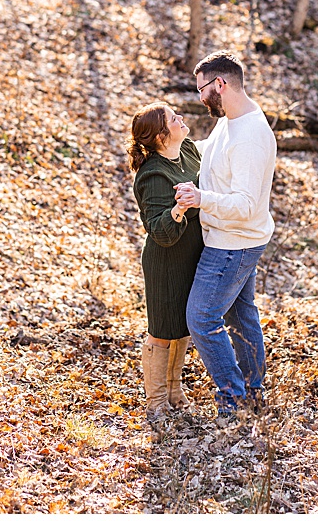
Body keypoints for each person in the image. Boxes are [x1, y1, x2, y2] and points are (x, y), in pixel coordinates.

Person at [173, 51, 278, 417]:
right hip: (238, 238)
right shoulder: (232, 120)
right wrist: (173, 149)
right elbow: (211, 154)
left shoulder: (250, 135)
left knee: (201, 318)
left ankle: (233, 399)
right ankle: (252, 390)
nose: (200, 98)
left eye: (202, 89)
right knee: (240, 315)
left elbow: (247, 204)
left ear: (221, 84)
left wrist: (202, 199)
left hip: (233, 243)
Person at [127, 101, 204, 418]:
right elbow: (159, 231)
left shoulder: (188, 150)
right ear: (161, 136)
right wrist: (179, 209)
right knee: (161, 331)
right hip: (165, 260)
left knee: (183, 328)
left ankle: (175, 392)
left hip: (194, 254)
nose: (181, 118)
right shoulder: (152, 175)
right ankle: (156, 402)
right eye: (174, 118)